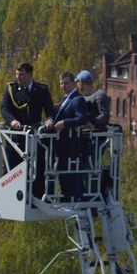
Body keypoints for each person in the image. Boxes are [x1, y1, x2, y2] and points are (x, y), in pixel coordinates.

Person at [0, 62, 55, 199]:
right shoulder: (11, 89)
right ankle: (11, 197)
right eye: (17, 74)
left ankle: (37, 197)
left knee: (39, 167)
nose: (18, 77)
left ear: (30, 74)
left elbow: (50, 110)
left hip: (35, 135)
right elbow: (5, 109)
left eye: (21, 74)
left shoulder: (41, 90)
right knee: (13, 168)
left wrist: (50, 120)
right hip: (17, 136)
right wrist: (12, 121)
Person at [48, 71, 88, 201]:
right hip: (62, 144)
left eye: (66, 83)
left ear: (73, 84)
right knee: (63, 174)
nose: (63, 86)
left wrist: (64, 123)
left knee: (70, 176)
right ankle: (68, 200)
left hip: (70, 145)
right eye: (61, 83)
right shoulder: (67, 98)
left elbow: (82, 118)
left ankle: (75, 201)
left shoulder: (78, 99)